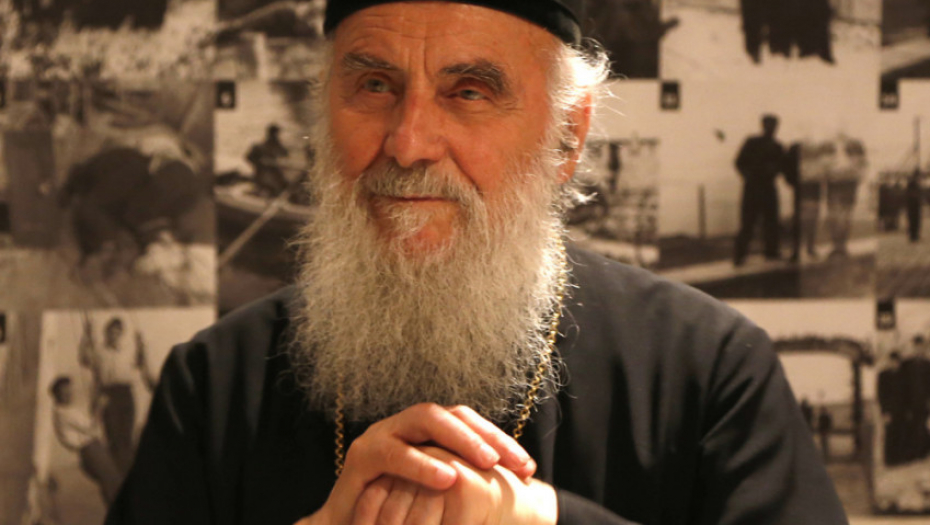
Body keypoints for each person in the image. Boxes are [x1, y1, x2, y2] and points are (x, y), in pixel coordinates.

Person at [107, 2, 847, 524]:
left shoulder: (710, 369)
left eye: (469, 92)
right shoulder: (213, 383)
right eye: (374, 85)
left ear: (568, 137)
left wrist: (539, 519)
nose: (408, 143)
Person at [49, 376, 123, 504]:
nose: (69, 394)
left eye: (70, 390)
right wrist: (100, 406)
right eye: (64, 392)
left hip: (90, 449)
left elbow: (87, 423)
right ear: (57, 395)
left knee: (110, 483)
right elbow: (91, 426)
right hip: (90, 450)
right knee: (112, 482)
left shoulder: (63, 410)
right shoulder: (64, 413)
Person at [734, 114, 785, 266]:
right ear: (763, 125)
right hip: (753, 188)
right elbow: (739, 162)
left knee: (772, 221)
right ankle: (739, 255)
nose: (772, 128)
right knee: (748, 221)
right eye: (769, 125)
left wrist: (775, 171)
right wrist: (748, 176)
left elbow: (783, 165)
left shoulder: (778, 146)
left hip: (768, 187)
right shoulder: (752, 142)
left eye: (774, 125)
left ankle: (771, 252)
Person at [246, 124, 290, 197]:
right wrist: (260, 162)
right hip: (263, 172)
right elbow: (249, 157)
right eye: (275, 134)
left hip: (274, 172)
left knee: (283, 183)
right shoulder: (259, 147)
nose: (276, 136)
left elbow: (285, 154)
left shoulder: (277, 145)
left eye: (276, 134)